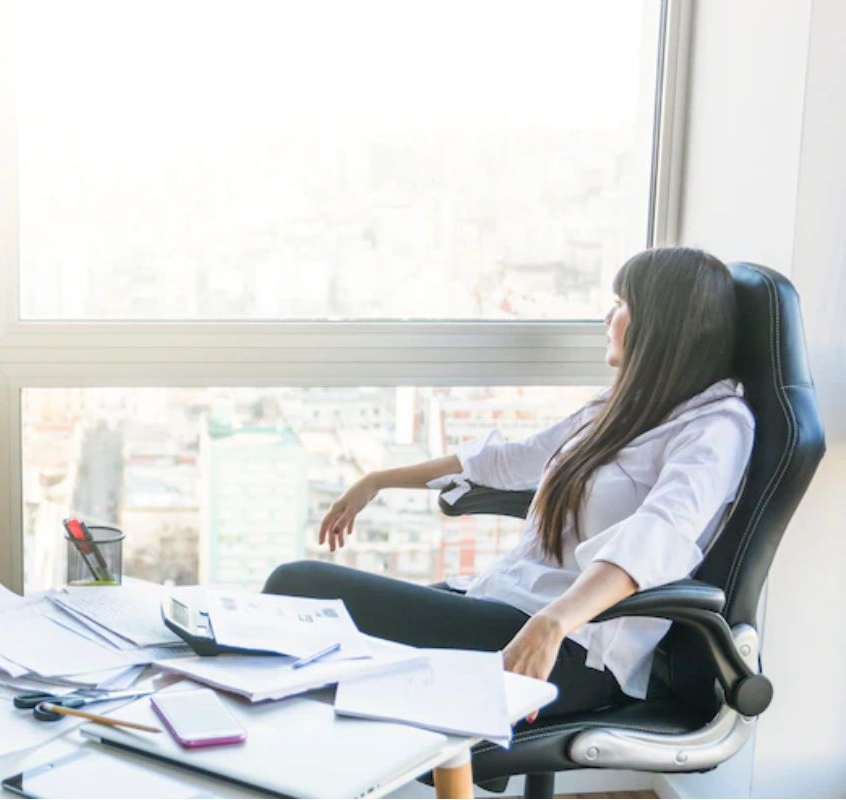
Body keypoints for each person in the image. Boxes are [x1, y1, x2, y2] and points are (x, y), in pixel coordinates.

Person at [263, 247, 755, 721]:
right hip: (503, 602)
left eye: (623, 305)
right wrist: (378, 480)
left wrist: (554, 622)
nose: (609, 318)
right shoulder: (623, 408)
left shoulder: (716, 428)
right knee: (318, 643)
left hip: (574, 648)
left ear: (663, 324)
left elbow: (658, 536)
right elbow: (509, 460)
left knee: (297, 587)